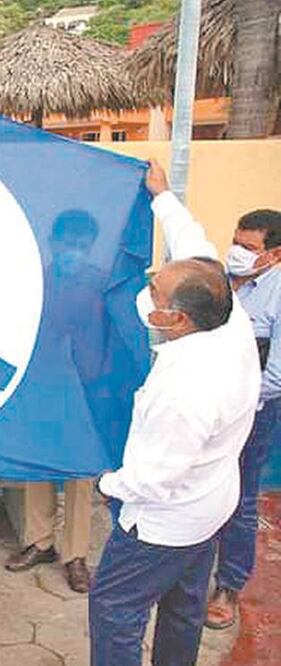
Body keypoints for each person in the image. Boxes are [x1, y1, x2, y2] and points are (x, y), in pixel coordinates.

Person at [88, 161, 261, 666]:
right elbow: (194, 243)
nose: (148, 296)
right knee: (183, 608)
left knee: (115, 609)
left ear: (178, 318)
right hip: (208, 511)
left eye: (156, 295)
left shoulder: (185, 386)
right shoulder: (227, 315)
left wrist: (108, 486)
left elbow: (155, 478)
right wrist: (162, 196)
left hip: (162, 524)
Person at [6, 212, 104, 593]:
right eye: (68, 244)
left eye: (82, 246)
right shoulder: (35, 281)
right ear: (53, 243)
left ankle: (76, 555)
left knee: (81, 473)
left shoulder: (101, 284)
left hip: (85, 387)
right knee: (38, 464)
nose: (74, 252)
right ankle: (40, 541)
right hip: (42, 385)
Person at [205, 206, 281, 629]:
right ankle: (188, 575)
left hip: (254, 411)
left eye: (249, 248)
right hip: (207, 407)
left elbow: (278, 374)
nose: (237, 253)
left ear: (274, 254)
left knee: (240, 497)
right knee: (198, 486)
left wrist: (238, 400)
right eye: (236, 242)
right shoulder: (221, 284)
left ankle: (228, 587)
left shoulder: (277, 294)